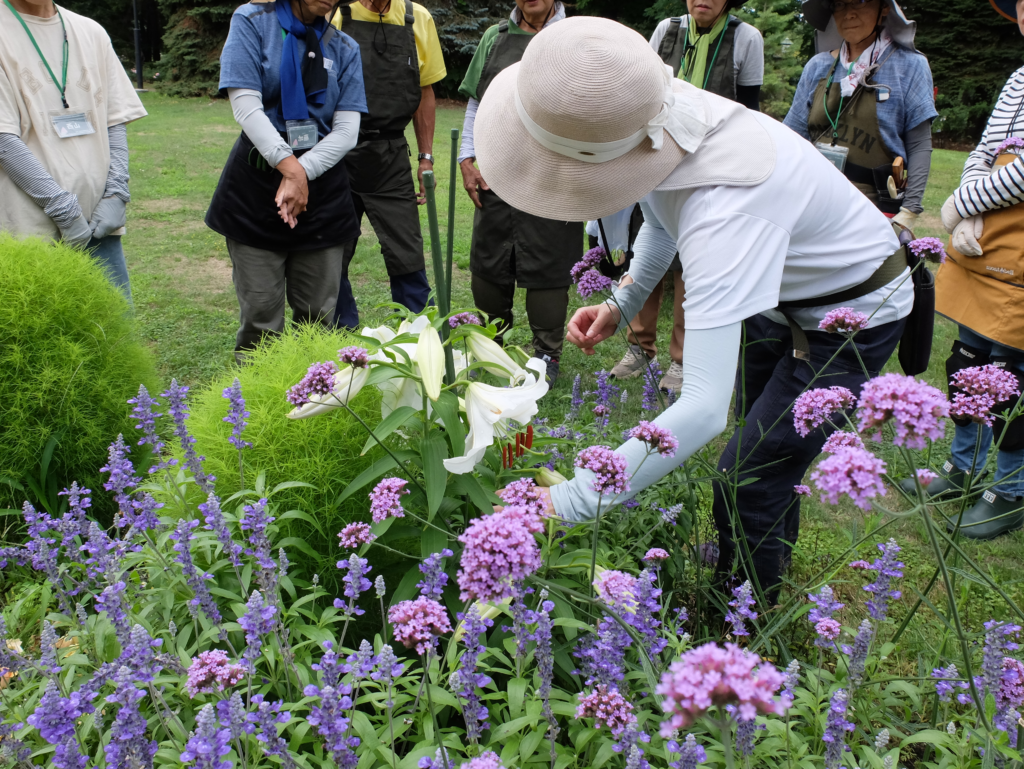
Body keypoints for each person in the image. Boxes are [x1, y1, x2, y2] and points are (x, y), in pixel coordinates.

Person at [474, 16, 914, 604]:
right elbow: (662, 215)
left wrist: (570, 499)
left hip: (854, 313)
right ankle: (756, 576)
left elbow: (701, 409)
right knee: (763, 456)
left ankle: (746, 625)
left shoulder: (725, 208)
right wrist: (623, 300)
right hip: (776, 287)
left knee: (746, 474)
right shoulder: (650, 114)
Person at [899, 0, 1024, 540]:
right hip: (988, 240)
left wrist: (962, 202)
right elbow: (984, 150)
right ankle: (963, 464)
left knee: (1012, 375)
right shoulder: (1019, 78)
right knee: (969, 358)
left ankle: (1012, 487)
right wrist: (970, 208)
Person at [601, 0, 764, 392]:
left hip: (711, 163)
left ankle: (682, 358)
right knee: (650, 246)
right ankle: (639, 346)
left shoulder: (746, 38)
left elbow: (750, 110)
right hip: (660, 155)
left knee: (693, 265)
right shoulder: (666, 30)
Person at [206, 0, 367, 362]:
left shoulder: (345, 48)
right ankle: (258, 411)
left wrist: (302, 172)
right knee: (261, 319)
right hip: (256, 190)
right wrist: (288, 168)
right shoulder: (251, 21)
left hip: (322, 193)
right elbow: (246, 106)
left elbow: (347, 131)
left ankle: (316, 408)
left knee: (320, 319)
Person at [457, 0, 583, 384]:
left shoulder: (576, 38)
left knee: (549, 261)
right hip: (499, 168)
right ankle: (495, 347)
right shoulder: (495, 39)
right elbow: (477, 102)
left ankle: (547, 354)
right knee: (491, 258)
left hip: (555, 173)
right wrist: (467, 158)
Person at [0, 0, 147, 301]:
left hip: (99, 225)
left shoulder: (90, 31)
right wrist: (63, 211)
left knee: (115, 336)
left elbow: (114, 119)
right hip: (29, 233)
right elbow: (4, 139)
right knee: (45, 340)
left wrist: (117, 191)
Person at [329, 0, 446, 329]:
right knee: (330, 257)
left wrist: (425, 157)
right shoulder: (338, 16)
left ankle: (421, 342)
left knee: (407, 255)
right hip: (340, 155)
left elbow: (425, 92)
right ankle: (341, 341)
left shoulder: (417, 18)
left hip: (391, 157)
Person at [784, 0, 936, 230]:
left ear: (884, 8)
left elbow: (919, 145)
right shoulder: (818, 66)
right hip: (813, 199)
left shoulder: (910, 65)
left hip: (876, 210)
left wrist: (909, 212)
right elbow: (792, 138)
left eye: (860, 2)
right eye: (840, 4)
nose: (849, 14)